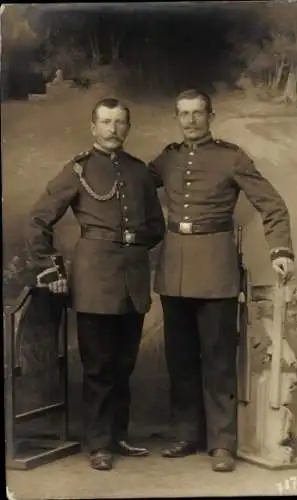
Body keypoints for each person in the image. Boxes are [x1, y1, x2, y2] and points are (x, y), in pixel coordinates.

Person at [148, 89, 295, 472]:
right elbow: (134, 188)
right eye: (184, 114)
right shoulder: (167, 158)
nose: (191, 120)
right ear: (177, 117)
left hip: (216, 265)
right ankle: (185, 433)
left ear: (210, 115)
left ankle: (222, 443)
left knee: (217, 358)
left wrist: (280, 251)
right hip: (174, 267)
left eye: (198, 113)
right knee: (180, 358)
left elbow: (271, 203)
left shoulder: (231, 157)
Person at [25, 98, 165, 471]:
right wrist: (49, 266)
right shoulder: (78, 170)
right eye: (106, 122)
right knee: (99, 365)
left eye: (120, 123)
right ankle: (98, 443)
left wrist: (130, 245)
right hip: (94, 280)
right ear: (93, 127)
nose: (113, 129)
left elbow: (156, 227)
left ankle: (117, 436)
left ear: (128, 128)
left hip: (133, 280)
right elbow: (39, 219)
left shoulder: (139, 172)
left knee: (123, 364)